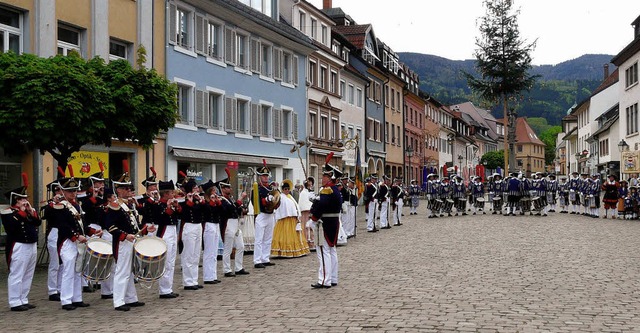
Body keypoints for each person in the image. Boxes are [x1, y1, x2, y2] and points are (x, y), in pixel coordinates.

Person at [104, 164, 155, 311]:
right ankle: (118, 301)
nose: (129, 191)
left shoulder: (127, 205)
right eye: (126, 188)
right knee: (122, 271)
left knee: (130, 271)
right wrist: (125, 236)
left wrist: (144, 230)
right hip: (122, 242)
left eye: (129, 188)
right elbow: (110, 226)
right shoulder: (115, 205)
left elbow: (134, 226)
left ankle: (131, 298)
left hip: (131, 240)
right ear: (118, 190)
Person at [2, 173, 41, 311]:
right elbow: (12, 227)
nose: (25, 201)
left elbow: (38, 222)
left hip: (31, 245)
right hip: (18, 246)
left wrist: (30, 211)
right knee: (17, 274)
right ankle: (14, 302)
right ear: (15, 201)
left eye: (25, 199)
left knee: (28, 274)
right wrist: (23, 212)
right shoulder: (8, 213)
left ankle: (23, 298)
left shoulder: (29, 211)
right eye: (22, 199)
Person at [56, 172, 91, 310]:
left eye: (75, 191)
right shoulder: (60, 206)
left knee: (78, 270)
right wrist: (76, 236)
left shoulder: (77, 205)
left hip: (78, 241)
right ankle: (66, 300)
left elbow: (82, 224)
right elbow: (63, 226)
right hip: (67, 241)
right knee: (68, 270)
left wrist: (91, 232)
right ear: (63, 191)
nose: (73, 193)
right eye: (70, 191)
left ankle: (77, 298)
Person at [310, 153, 343, 289]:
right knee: (332, 251)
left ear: (331, 177)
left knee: (323, 252)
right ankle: (333, 277)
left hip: (324, 223)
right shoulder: (335, 190)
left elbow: (322, 206)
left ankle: (324, 279)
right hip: (333, 222)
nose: (323, 178)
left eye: (325, 176)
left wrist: (313, 217)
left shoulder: (327, 190)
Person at [150, 180, 181, 298]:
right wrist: (168, 207)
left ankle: (168, 287)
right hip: (165, 231)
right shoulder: (158, 205)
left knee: (172, 260)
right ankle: (164, 289)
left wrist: (176, 206)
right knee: (166, 261)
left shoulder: (170, 203)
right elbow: (162, 217)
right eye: (172, 193)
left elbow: (179, 214)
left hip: (172, 230)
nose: (173, 194)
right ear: (166, 193)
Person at [218, 173, 250, 277]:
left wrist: (242, 210)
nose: (230, 189)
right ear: (222, 188)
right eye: (227, 187)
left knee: (240, 246)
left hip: (235, 224)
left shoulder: (230, 199)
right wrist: (240, 199)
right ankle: (227, 269)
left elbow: (235, 209)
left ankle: (238, 267)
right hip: (228, 224)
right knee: (228, 248)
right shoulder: (221, 199)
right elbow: (230, 209)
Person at [43, 166, 66, 302]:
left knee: (64, 263)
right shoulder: (50, 205)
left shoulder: (67, 204)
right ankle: (52, 290)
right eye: (57, 190)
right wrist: (53, 203)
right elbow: (46, 215)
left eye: (61, 189)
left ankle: (61, 287)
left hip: (65, 233)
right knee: (55, 263)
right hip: (54, 233)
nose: (59, 192)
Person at [179, 175, 205, 290]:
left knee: (196, 255)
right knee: (188, 255)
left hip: (198, 226)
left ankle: (194, 280)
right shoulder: (184, 201)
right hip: (189, 227)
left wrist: (199, 201)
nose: (197, 189)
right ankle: (188, 282)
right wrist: (190, 202)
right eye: (194, 188)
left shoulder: (199, 199)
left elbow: (205, 211)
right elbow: (183, 213)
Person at [271, 179, 309, 258]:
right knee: (284, 235)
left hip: (293, 219)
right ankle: (283, 250)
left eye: (288, 189)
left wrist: (296, 214)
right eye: (285, 189)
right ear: (283, 189)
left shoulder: (290, 197)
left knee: (294, 235)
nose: (287, 190)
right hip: (284, 219)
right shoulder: (281, 197)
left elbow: (294, 206)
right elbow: (281, 208)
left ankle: (296, 249)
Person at [253, 160, 279, 268]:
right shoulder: (257, 188)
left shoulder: (270, 188)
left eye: (267, 176)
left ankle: (265, 258)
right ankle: (257, 260)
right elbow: (254, 201)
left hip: (270, 214)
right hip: (261, 214)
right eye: (264, 176)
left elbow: (277, 199)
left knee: (268, 238)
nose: (266, 178)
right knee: (259, 238)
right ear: (259, 177)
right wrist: (265, 201)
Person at [200, 179, 222, 285]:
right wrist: (213, 203)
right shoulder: (205, 202)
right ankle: (207, 276)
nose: (215, 191)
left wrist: (218, 203)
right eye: (213, 190)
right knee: (208, 251)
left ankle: (213, 275)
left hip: (216, 224)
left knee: (214, 252)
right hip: (208, 225)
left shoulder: (214, 201)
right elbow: (207, 211)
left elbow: (221, 212)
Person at [297, 177, 316, 249]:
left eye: (311, 183)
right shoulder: (303, 193)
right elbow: (303, 204)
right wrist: (309, 207)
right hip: (305, 214)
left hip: (311, 213)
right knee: (305, 227)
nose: (310, 185)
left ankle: (312, 242)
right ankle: (306, 243)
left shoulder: (310, 192)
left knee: (311, 227)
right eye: (309, 183)